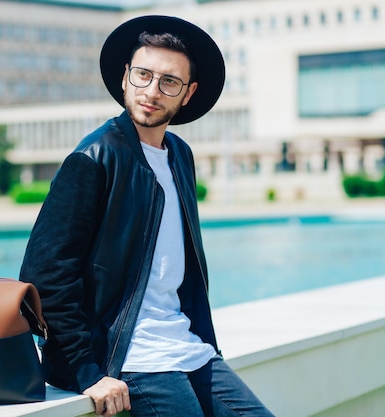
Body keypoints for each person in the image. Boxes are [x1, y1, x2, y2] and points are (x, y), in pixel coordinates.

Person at [19, 15, 275, 417]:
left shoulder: (179, 156)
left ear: (187, 94)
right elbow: (45, 274)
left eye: (169, 82)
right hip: (127, 359)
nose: (152, 91)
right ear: (125, 77)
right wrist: (87, 372)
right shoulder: (94, 157)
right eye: (143, 75)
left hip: (189, 348)